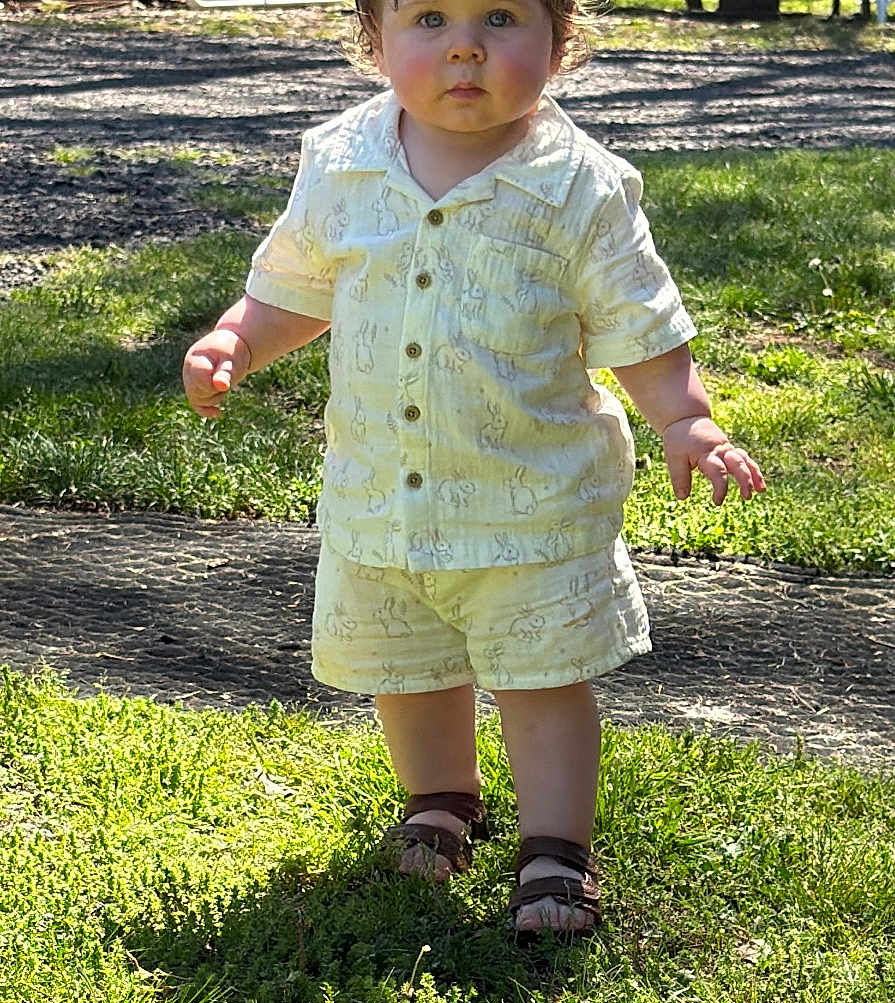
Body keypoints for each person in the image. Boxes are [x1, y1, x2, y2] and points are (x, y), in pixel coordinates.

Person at [182, 0, 766, 936]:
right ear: (374, 41)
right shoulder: (342, 161)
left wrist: (686, 420)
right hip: (384, 495)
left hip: (530, 504)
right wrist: (237, 341)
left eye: (499, 16)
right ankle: (442, 800)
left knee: (541, 679)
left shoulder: (580, 186)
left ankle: (555, 853)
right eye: (428, 18)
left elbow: (642, 324)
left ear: (559, 42)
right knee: (406, 666)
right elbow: (295, 285)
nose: (464, 46)